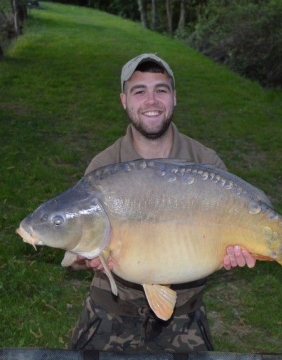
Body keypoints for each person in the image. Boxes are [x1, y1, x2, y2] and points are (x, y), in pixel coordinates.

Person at [69, 53, 256, 352]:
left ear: (174, 97)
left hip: (184, 310)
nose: (151, 100)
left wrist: (233, 256)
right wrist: (84, 259)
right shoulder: (104, 167)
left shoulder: (205, 162)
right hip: (113, 306)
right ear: (124, 100)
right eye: (139, 91)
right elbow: (78, 242)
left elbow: (228, 238)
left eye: (161, 90)